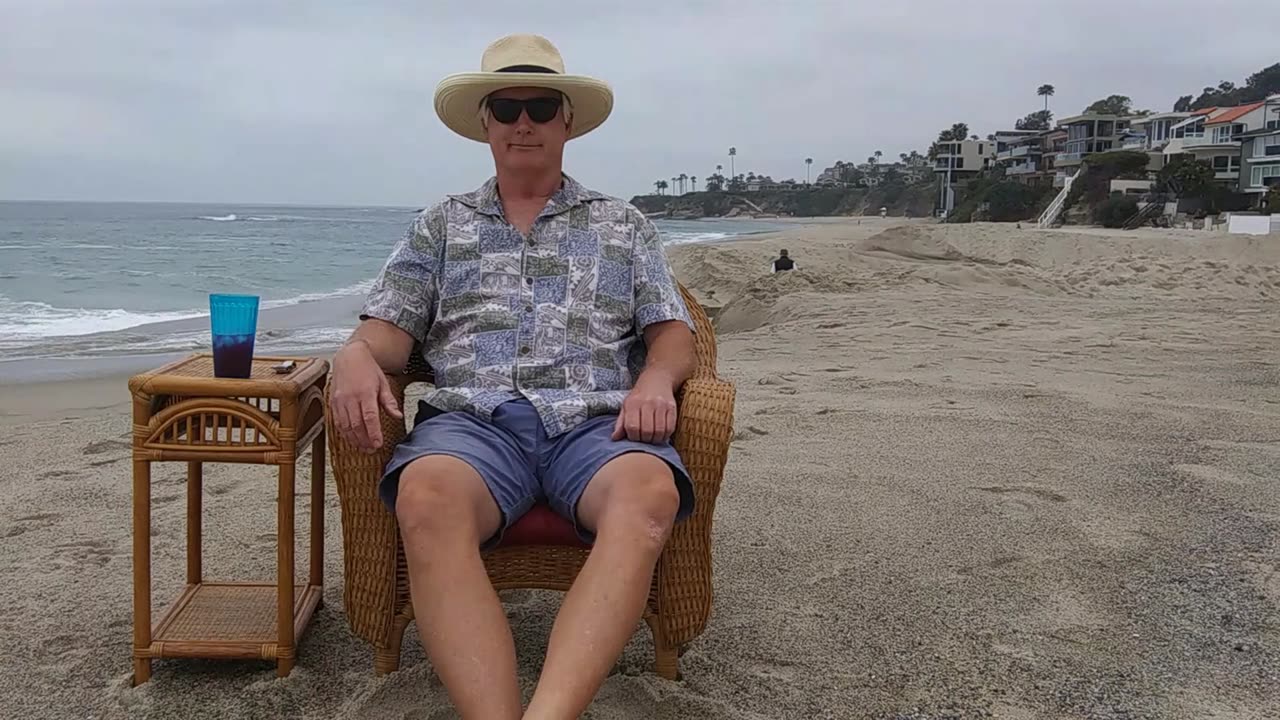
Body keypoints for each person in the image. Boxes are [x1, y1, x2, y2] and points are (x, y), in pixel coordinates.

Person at [329, 34, 697, 720]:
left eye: (540, 106)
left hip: (595, 424)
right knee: (424, 497)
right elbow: (388, 332)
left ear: (567, 121)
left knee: (649, 493)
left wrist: (654, 381)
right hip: (474, 427)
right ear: (485, 123)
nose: (522, 121)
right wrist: (353, 354)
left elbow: (673, 334)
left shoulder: (623, 224)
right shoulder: (441, 225)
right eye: (505, 107)